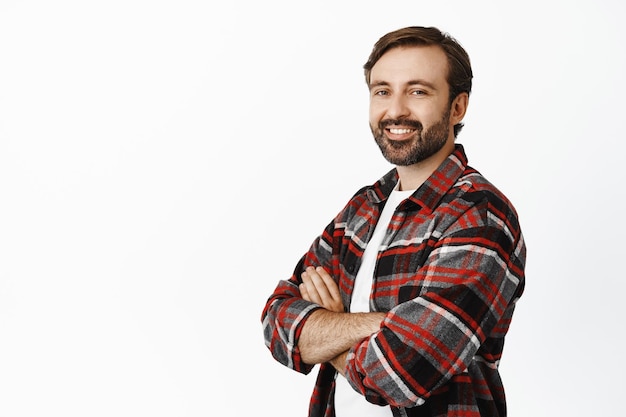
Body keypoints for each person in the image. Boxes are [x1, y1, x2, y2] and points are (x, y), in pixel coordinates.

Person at [261, 25, 526, 417]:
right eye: (382, 90)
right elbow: (277, 322)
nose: (396, 109)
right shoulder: (363, 208)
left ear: (458, 107)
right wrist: (383, 326)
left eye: (418, 91)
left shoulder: (479, 214)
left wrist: (331, 327)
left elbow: (403, 371)